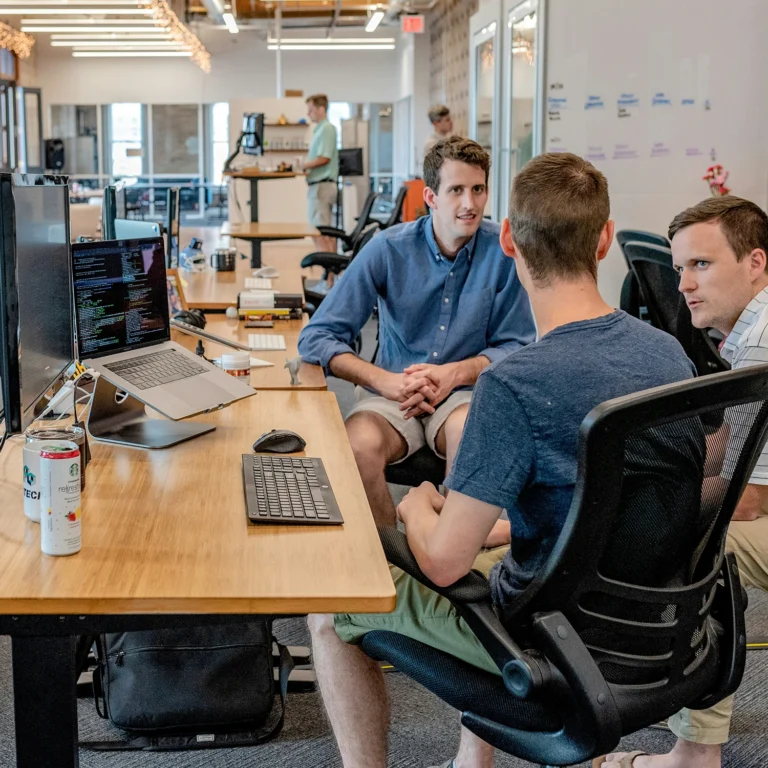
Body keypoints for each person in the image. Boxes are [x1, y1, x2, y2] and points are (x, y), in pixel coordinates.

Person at [307, 152, 699, 768]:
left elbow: (440, 563)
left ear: (510, 240)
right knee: (488, 542)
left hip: (547, 643)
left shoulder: (514, 386)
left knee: (328, 609)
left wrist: (417, 504)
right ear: (603, 240)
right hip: (658, 630)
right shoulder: (669, 354)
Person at [601, 196, 768, 768]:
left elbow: (745, 500)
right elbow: (727, 448)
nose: (683, 285)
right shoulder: (749, 332)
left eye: (702, 265)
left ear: (755, 263)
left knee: (703, 550)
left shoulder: (760, 343)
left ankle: (695, 754)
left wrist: (614, 514)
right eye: (679, 269)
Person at [298, 136, 535, 529]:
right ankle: (393, 559)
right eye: (456, 190)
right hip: (393, 393)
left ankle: (447, 556)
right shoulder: (387, 249)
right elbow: (317, 336)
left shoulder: (504, 252)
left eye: (478, 190)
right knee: (357, 446)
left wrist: (455, 374)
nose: (470, 204)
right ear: (431, 196)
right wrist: (384, 381)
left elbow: (519, 346)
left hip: (463, 395)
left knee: (470, 436)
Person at [303, 94, 339, 252]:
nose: (308, 113)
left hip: (322, 187)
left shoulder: (326, 129)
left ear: (321, 109)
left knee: (321, 233)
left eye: (311, 110)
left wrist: (304, 165)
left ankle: (329, 275)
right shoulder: (319, 130)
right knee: (321, 231)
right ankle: (329, 273)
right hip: (318, 186)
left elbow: (324, 157)